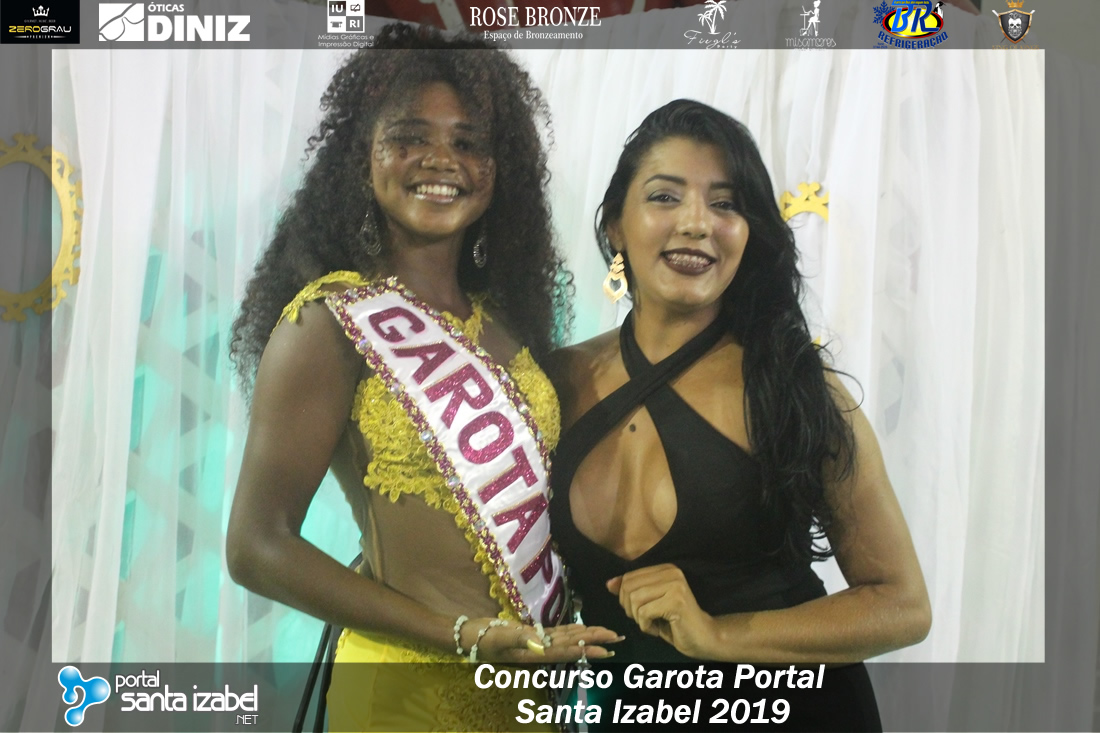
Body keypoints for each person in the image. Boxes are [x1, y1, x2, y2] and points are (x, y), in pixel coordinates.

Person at [226, 24, 615, 732]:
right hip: (404, 697)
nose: (442, 160)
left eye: (469, 143)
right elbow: (256, 547)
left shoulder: (509, 328)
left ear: (500, 169)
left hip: (529, 696)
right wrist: (461, 634)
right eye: (409, 137)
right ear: (362, 158)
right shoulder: (329, 324)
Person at [547, 100, 931, 730]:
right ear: (616, 224)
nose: (697, 223)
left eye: (725, 204)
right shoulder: (553, 383)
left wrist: (717, 635)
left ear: (749, 232)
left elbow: (902, 606)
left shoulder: (794, 387)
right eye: (665, 197)